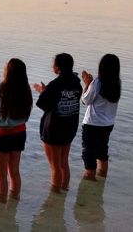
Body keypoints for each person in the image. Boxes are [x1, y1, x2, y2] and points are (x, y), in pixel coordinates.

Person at [0, 58, 33, 203]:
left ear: (8, 72)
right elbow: (25, 112)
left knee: (1, 175)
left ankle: (1, 209)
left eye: (5, 67)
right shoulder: (25, 89)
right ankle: (13, 203)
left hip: (1, 135)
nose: (3, 68)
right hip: (19, 133)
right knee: (14, 171)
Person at [33, 53, 82, 193]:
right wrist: (46, 91)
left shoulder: (55, 84)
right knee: (64, 163)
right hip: (70, 126)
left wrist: (43, 91)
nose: (52, 67)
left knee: (54, 166)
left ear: (58, 68)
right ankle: (64, 190)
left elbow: (43, 104)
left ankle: (55, 196)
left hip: (54, 129)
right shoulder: (77, 83)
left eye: (54, 64)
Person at [80, 54, 121, 180]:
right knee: (102, 152)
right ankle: (102, 179)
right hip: (108, 124)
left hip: (92, 124)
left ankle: (89, 184)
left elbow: (85, 101)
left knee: (89, 156)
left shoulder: (97, 82)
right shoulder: (117, 82)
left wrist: (87, 84)